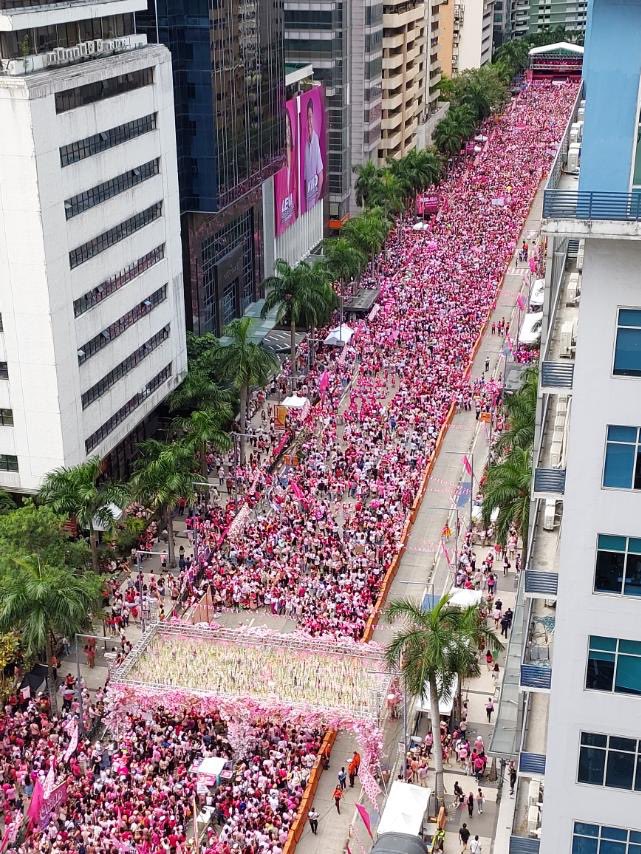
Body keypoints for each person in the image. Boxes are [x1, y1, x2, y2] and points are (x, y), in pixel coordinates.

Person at [303, 98, 324, 207]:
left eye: (310, 117)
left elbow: (320, 174)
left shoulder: (315, 138)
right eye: (307, 118)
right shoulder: (301, 142)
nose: (309, 122)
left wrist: (317, 198)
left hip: (312, 201)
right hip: (303, 201)